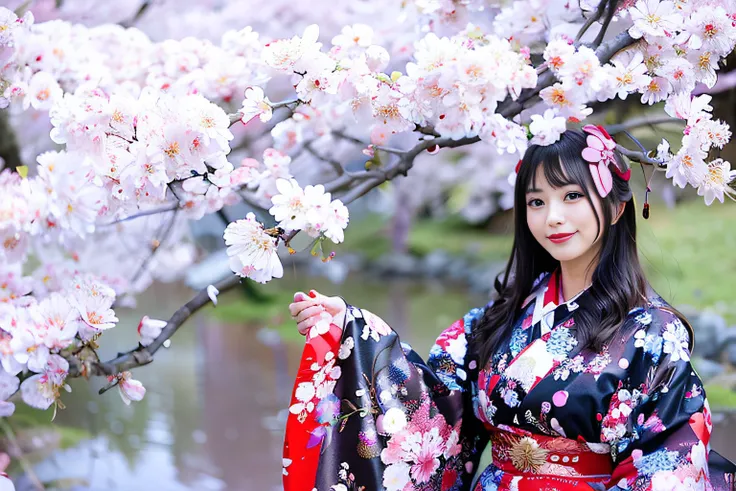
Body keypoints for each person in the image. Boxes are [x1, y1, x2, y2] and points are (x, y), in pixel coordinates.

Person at [283, 127, 736, 491]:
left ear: (617, 209)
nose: (552, 217)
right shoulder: (499, 318)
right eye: (537, 201)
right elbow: (435, 410)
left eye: (572, 196)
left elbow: (666, 459)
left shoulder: (652, 332)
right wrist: (351, 329)